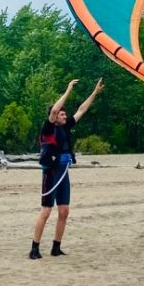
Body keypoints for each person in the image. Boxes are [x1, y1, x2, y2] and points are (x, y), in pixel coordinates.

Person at [28, 78, 104, 260]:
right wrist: (68, 89)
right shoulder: (48, 128)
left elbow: (82, 110)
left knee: (64, 211)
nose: (64, 116)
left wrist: (94, 93)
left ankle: (56, 247)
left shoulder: (66, 127)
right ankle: (34, 248)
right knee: (46, 212)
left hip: (64, 173)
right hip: (51, 173)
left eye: (64, 115)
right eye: (62, 115)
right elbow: (54, 109)